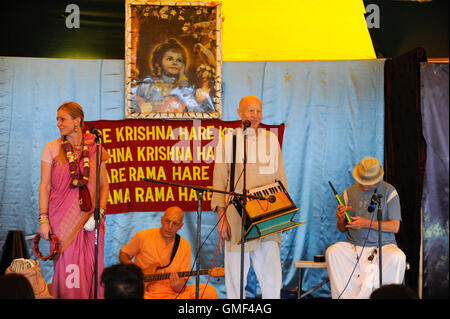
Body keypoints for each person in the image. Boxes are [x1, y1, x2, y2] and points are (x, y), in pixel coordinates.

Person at [211, 96, 287, 299]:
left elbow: (280, 177)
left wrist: (284, 214)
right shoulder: (228, 140)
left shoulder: (271, 139)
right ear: (240, 113)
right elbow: (220, 181)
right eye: (250, 111)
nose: (255, 116)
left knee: (271, 276)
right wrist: (222, 218)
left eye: (258, 111)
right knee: (235, 277)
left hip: (267, 213)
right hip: (237, 215)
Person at [39, 101, 110, 299]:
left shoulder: (96, 148)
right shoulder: (52, 148)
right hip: (62, 220)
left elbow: (104, 185)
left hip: (92, 218)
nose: (58, 124)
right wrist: (43, 219)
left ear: (77, 121)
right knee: (69, 267)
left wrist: (99, 213)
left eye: (63, 119)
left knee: (92, 266)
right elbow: (44, 186)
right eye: (57, 119)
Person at [325, 156, 406, 299]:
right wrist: (341, 218)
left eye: (368, 183)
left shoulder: (389, 191)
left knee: (398, 257)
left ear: (376, 179)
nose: (364, 185)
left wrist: (365, 223)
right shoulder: (348, 192)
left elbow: (395, 227)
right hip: (354, 247)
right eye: (362, 181)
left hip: (383, 247)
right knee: (333, 252)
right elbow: (342, 228)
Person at [119, 206, 217, 299]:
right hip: (146, 292)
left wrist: (178, 286)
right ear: (162, 220)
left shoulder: (184, 245)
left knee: (209, 291)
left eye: (175, 223)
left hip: (172, 293)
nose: (170, 227)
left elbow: (181, 287)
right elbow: (124, 254)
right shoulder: (143, 236)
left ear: (181, 226)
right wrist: (135, 270)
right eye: (167, 221)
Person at [131, 38, 214, 114]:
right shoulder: (146, 86)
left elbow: (199, 114)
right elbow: (130, 107)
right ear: (157, 63)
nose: (175, 63)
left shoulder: (186, 91)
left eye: (179, 60)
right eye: (169, 59)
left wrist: (204, 100)